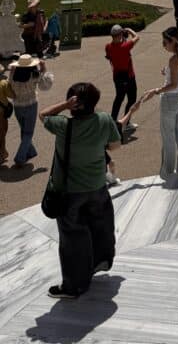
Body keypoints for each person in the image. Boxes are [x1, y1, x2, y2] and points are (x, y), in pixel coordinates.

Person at [39, 82, 121, 299]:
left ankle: (74, 286)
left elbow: (43, 114)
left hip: (70, 192)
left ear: (73, 104)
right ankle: (99, 261)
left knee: (73, 238)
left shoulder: (63, 125)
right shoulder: (104, 120)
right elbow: (115, 146)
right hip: (98, 186)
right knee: (99, 226)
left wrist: (65, 105)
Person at [141, 26, 178, 180]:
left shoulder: (174, 59)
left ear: (173, 41)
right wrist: (167, 71)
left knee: (168, 138)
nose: (163, 45)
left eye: (165, 42)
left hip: (170, 100)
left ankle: (168, 173)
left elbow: (172, 85)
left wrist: (156, 91)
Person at [8, 54, 53, 166]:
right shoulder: (34, 75)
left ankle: (31, 151)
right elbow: (45, 85)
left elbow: (9, 84)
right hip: (31, 105)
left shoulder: (13, 75)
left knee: (24, 130)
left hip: (17, 106)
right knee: (28, 132)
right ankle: (20, 157)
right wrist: (43, 68)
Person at [105, 25, 139, 127]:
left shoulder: (108, 47)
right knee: (132, 99)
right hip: (129, 76)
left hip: (117, 76)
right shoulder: (125, 46)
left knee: (119, 99)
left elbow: (111, 55)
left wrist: (123, 38)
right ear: (120, 34)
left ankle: (112, 121)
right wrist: (129, 30)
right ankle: (126, 122)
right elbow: (137, 37)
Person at [0, 65, 13, 165]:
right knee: (2, 133)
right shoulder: (3, 83)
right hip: (1, 113)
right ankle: (2, 153)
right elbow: (11, 95)